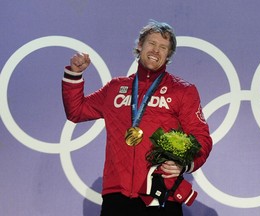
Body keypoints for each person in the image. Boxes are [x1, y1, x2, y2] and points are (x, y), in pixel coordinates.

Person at [62, 20, 213, 216]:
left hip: (160, 194)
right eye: (151, 43)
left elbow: (201, 137)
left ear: (168, 55)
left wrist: (183, 164)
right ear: (140, 45)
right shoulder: (115, 88)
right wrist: (75, 73)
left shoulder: (182, 91)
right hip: (116, 196)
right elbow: (77, 111)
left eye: (163, 47)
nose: (156, 51)